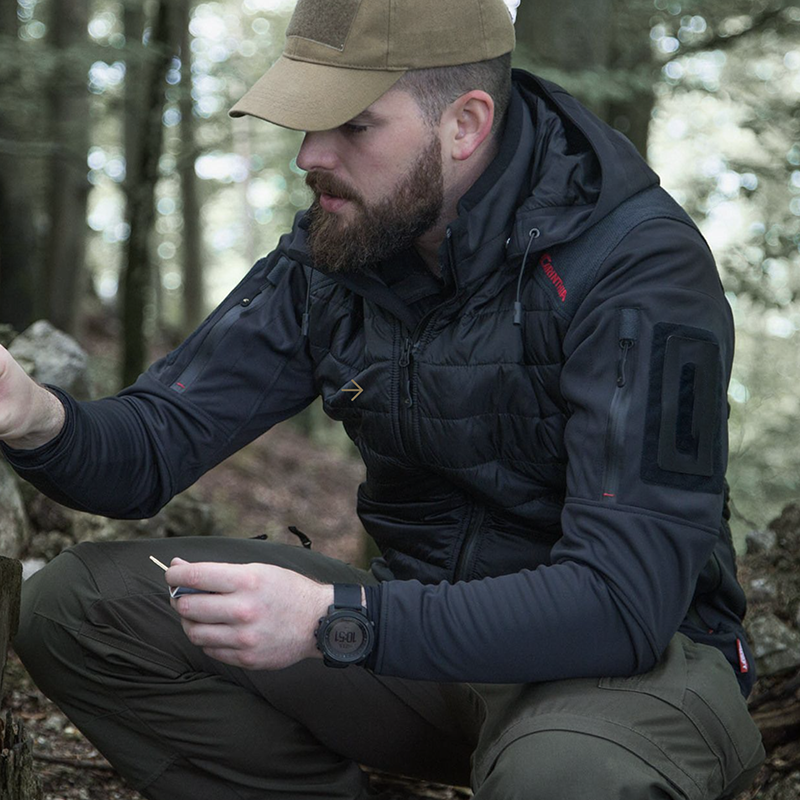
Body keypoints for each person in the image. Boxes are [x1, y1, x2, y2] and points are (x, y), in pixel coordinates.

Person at [3, 1, 764, 797]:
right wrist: (34, 415)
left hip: (632, 671)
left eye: (353, 127)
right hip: (420, 645)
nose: (309, 155)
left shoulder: (637, 269)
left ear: (465, 125)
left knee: (569, 775)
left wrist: (338, 621)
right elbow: (152, 447)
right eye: (306, 121)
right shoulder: (344, 249)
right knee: (75, 609)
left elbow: (623, 603)